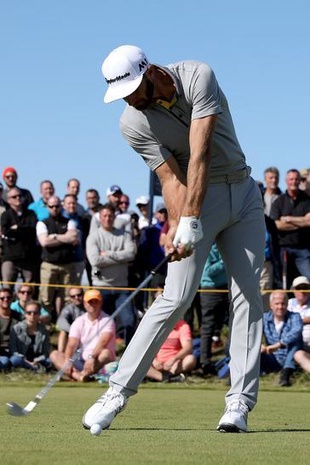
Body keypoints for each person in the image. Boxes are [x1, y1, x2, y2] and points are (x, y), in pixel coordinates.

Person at [82, 44, 265, 434]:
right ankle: (116, 392)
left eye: (132, 89)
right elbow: (169, 177)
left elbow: (200, 151)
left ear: (150, 72)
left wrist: (190, 220)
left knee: (248, 295)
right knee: (176, 296)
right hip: (200, 195)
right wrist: (179, 224)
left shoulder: (198, 74)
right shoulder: (131, 123)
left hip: (244, 193)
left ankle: (238, 404)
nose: (129, 100)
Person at [86, 203, 137, 346]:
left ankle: (129, 352)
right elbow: (94, 260)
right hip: (101, 287)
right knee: (101, 323)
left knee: (129, 320)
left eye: (110, 215)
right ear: (100, 217)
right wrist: (119, 258)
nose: (107, 218)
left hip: (122, 287)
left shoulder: (124, 235)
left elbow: (131, 254)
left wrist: (108, 254)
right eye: (104, 216)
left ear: (114, 217)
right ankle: (100, 352)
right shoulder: (93, 237)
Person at [50, 289, 116, 382]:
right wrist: (69, 360)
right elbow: (72, 344)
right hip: (80, 359)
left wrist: (91, 357)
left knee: (106, 353)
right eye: (90, 302)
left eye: (95, 301)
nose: (93, 304)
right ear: (85, 304)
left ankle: (81, 375)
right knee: (54, 354)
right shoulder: (79, 321)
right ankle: (79, 376)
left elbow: (103, 342)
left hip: (98, 360)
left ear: (101, 303)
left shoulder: (108, 320)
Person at [36, 195, 79, 319]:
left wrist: (54, 236)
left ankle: (65, 325)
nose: (55, 208)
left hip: (67, 264)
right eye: (52, 206)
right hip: (49, 264)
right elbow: (44, 242)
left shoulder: (69, 222)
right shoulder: (42, 223)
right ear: (47, 207)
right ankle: (46, 325)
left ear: (61, 206)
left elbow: (73, 238)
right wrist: (64, 238)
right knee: (46, 298)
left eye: (57, 206)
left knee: (68, 298)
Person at [270, 169, 310, 288]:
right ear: (286, 181)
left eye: (296, 179)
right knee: (284, 281)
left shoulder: (307, 200)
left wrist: (288, 219)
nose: (294, 182)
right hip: (284, 248)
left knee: (307, 278)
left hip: (303, 248)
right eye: (291, 179)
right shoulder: (279, 201)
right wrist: (302, 220)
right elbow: (277, 225)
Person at [261, 291, 303, 386]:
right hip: (271, 358)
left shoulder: (295, 316)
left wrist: (279, 345)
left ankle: (285, 375)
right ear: (271, 305)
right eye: (277, 304)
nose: (280, 307)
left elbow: (296, 331)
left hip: (291, 359)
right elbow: (253, 334)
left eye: (283, 303)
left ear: (287, 304)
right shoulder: (264, 318)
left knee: (295, 343)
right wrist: (260, 345)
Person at [199, 243, 229, 375]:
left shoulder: (225, 246)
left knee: (229, 324)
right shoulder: (208, 247)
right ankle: (205, 362)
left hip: (225, 288)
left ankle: (230, 358)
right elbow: (208, 271)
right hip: (210, 289)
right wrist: (225, 261)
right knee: (208, 327)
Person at [1, 187, 40, 287]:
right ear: (9, 200)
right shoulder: (6, 215)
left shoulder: (31, 214)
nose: (18, 198)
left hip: (28, 257)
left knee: (30, 288)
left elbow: (32, 230)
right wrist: (21, 229)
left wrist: (17, 228)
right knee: (7, 287)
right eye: (14, 197)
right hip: (10, 257)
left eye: (20, 196)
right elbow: (6, 232)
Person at [9, 300, 51, 372]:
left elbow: (45, 352)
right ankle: (34, 368)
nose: (32, 315)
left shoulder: (44, 330)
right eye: (29, 313)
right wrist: (25, 360)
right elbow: (13, 350)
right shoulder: (16, 328)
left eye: (35, 313)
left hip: (37, 359)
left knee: (50, 360)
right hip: (21, 358)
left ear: (39, 314)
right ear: (25, 314)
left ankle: (30, 367)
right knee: (14, 359)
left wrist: (37, 360)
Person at [62, 194, 89, 284]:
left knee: (76, 288)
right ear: (64, 205)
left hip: (78, 259)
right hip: (64, 260)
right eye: (69, 203)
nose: (72, 206)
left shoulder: (82, 220)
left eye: (74, 203)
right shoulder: (59, 220)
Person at [56, 287, 86, 352]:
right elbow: (61, 322)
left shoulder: (89, 306)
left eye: (79, 295)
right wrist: (73, 331)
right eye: (73, 296)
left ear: (83, 294)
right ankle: (60, 355)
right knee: (63, 332)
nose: (76, 298)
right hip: (73, 335)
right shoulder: (68, 309)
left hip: (88, 334)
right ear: (70, 298)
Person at [0, 287, 21, 371]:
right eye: (2, 298)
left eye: (8, 297)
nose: (5, 300)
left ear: (12, 299)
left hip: (14, 350)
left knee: (16, 360)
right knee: (4, 362)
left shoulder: (19, 317)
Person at [287, 276, 310, 351]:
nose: (302, 291)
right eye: (299, 288)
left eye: (305, 288)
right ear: (293, 290)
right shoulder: (289, 303)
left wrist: (295, 321)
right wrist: (304, 320)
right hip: (292, 344)